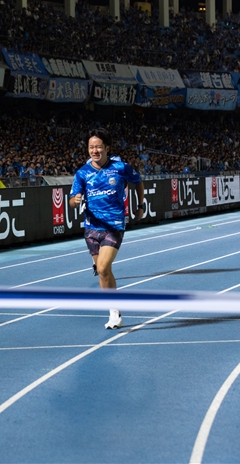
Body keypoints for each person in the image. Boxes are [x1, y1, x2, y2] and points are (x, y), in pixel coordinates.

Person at [69, 128, 145, 329]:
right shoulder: (82, 173)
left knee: (102, 268)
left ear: (107, 148)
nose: (94, 150)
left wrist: (140, 205)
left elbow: (138, 182)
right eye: (91, 147)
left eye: (98, 147)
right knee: (103, 272)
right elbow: (71, 200)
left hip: (114, 226)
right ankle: (113, 309)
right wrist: (74, 201)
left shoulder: (121, 168)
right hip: (91, 229)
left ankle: (114, 314)